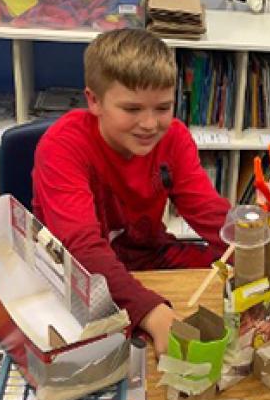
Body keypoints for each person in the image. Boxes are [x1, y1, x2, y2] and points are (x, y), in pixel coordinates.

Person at [33, 29, 230, 355]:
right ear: (94, 100)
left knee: (232, 279)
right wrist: (151, 312)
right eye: (133, 109)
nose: (150, 124)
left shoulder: (175, 138)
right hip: (73, 275)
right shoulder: (61, 146)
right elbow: (81, 248)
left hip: (148, 255)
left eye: (163, 108)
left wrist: (265, 261)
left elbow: (209, 212)